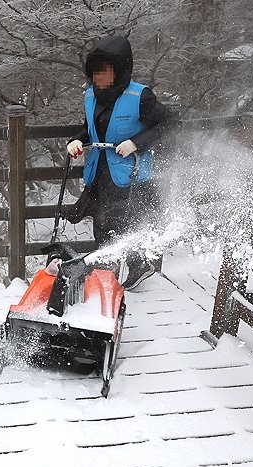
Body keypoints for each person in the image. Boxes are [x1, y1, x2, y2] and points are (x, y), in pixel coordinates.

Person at [63, 34, 178, 289]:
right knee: (102, 225)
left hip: (130, 175)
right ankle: (106, 278)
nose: (98, 79)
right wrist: (77, 140)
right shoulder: (90, 97)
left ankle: (139, 266)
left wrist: (136, 142)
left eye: (104, 72)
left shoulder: (139, 96)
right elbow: (90, 128)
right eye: (94, 72)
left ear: (120, 70)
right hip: (100, 174)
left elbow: (170, 122)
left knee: (127, 223)